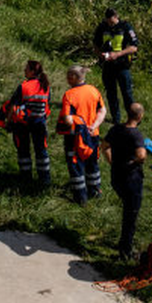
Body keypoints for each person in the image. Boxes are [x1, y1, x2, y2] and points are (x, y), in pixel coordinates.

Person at [0, 60, 53, 189]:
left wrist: (8, 122)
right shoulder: (46, 86)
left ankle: (26, 177)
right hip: (39, 123)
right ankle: (45, 179)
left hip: (23, 123)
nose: (24, 70)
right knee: (41, 150)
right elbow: (47, 104)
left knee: (23, 150)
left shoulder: (24, 86)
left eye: (26, 68)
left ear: (32, 72)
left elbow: (12, 106)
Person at [103, 102, 148, 261]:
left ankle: (124, 243)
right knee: (131, 215)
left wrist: (112, 161)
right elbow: (141, 155)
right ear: (140, 116)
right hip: (131, 180)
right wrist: (134, 162)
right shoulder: (136, 135)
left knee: (127, 209)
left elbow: (105, 146)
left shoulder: (115, 129)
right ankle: (125, 251)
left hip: (116, 176)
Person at [57, 65, 106, 203]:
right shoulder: (94, 90)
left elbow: (68, 120)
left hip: (75, 136)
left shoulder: (69, 95)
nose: (66, 78)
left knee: (76, 165)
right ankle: (95, 191)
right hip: (93, 133)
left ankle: (80, 197)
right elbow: (102, 111)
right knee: (92, 163)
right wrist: (93, 126)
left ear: (74, 77)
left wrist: (72, 120)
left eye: (68, 76)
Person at [93, 8, 139, 125]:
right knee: (111, 93)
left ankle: (132, 119)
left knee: (127, 93)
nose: (110, 23)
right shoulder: (102, 27)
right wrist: (101, 55)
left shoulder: (125, 27)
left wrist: (118, 54)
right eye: (107, 20)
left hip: (122, 65)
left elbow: (134, 47)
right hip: (108, 65)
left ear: (116, 16)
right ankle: (116, 119)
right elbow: (96, 45)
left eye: (111, 21)